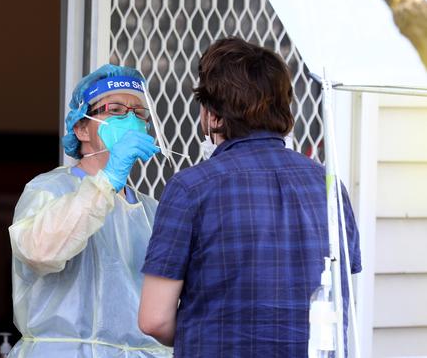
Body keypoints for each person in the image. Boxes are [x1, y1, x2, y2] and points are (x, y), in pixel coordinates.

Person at [137, 38, 362, 357]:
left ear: (213, 115)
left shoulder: (190, 188)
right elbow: (344, 295)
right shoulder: (330, 188)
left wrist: (208, 331)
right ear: (284, 109)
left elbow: (153, 319)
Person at [7, 64, 172, 357]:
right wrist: (107, 181)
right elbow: (39, 251)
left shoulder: (152, 212)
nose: (131, 120)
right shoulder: (49, 189)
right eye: (117, 110)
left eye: (139, 113)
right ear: (81, 127)